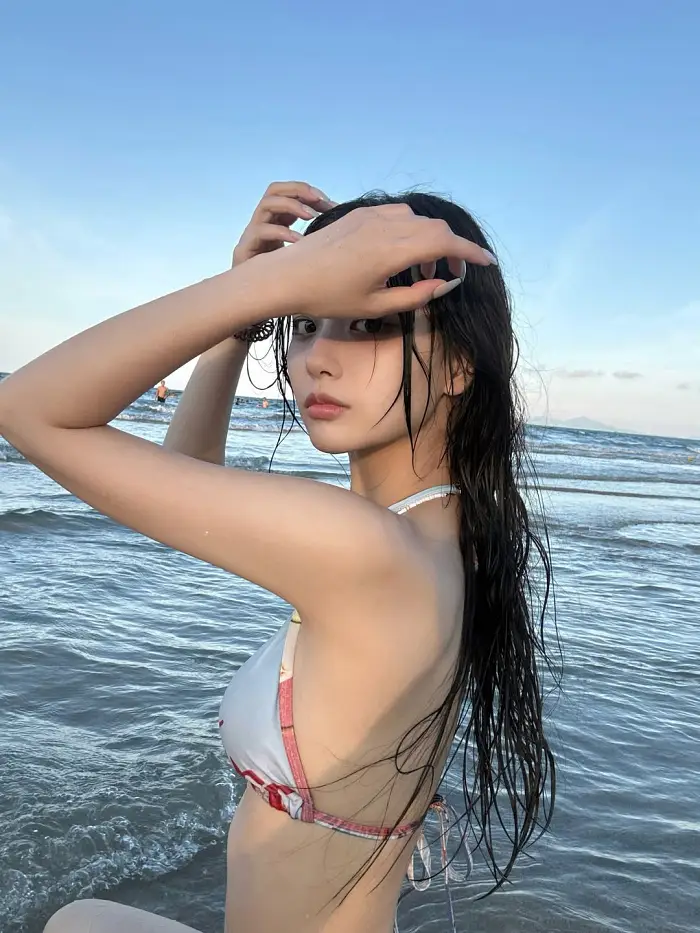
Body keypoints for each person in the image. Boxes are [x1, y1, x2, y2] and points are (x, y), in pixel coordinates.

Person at [0, 181, 558, 933]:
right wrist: (248, 318)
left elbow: (28, 408)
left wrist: (262, 283)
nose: (317, 358)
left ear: (460, 365)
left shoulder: (370, 551)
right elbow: (184, 478)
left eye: (369, 324)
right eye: (305, 323)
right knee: (81, 919)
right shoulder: (436, 534)